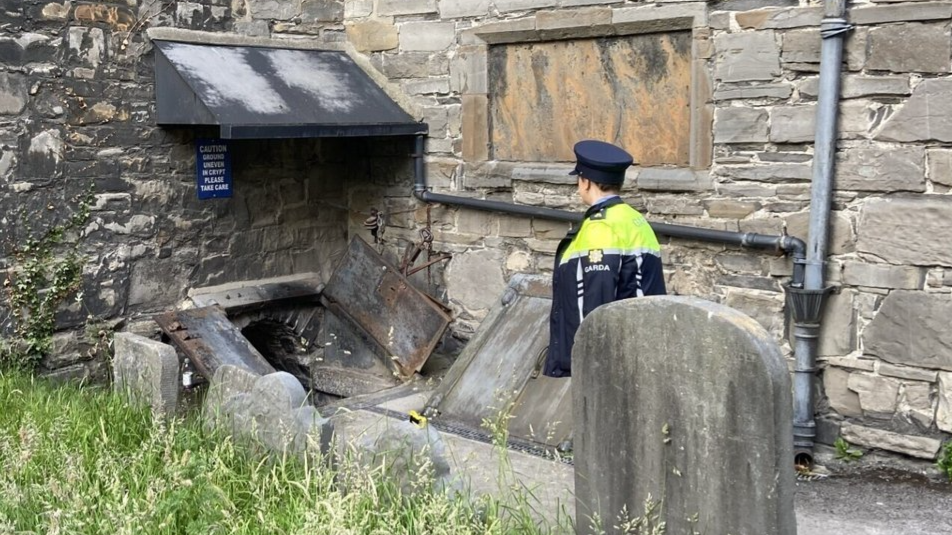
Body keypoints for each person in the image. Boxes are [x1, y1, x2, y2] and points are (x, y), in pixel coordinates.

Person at [543, 140, 667, 378]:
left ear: (586, 181)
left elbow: (595, 299)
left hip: (613, 358)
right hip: (641, 345)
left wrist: (588, 360)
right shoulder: (634, 219)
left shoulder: (600, 227)